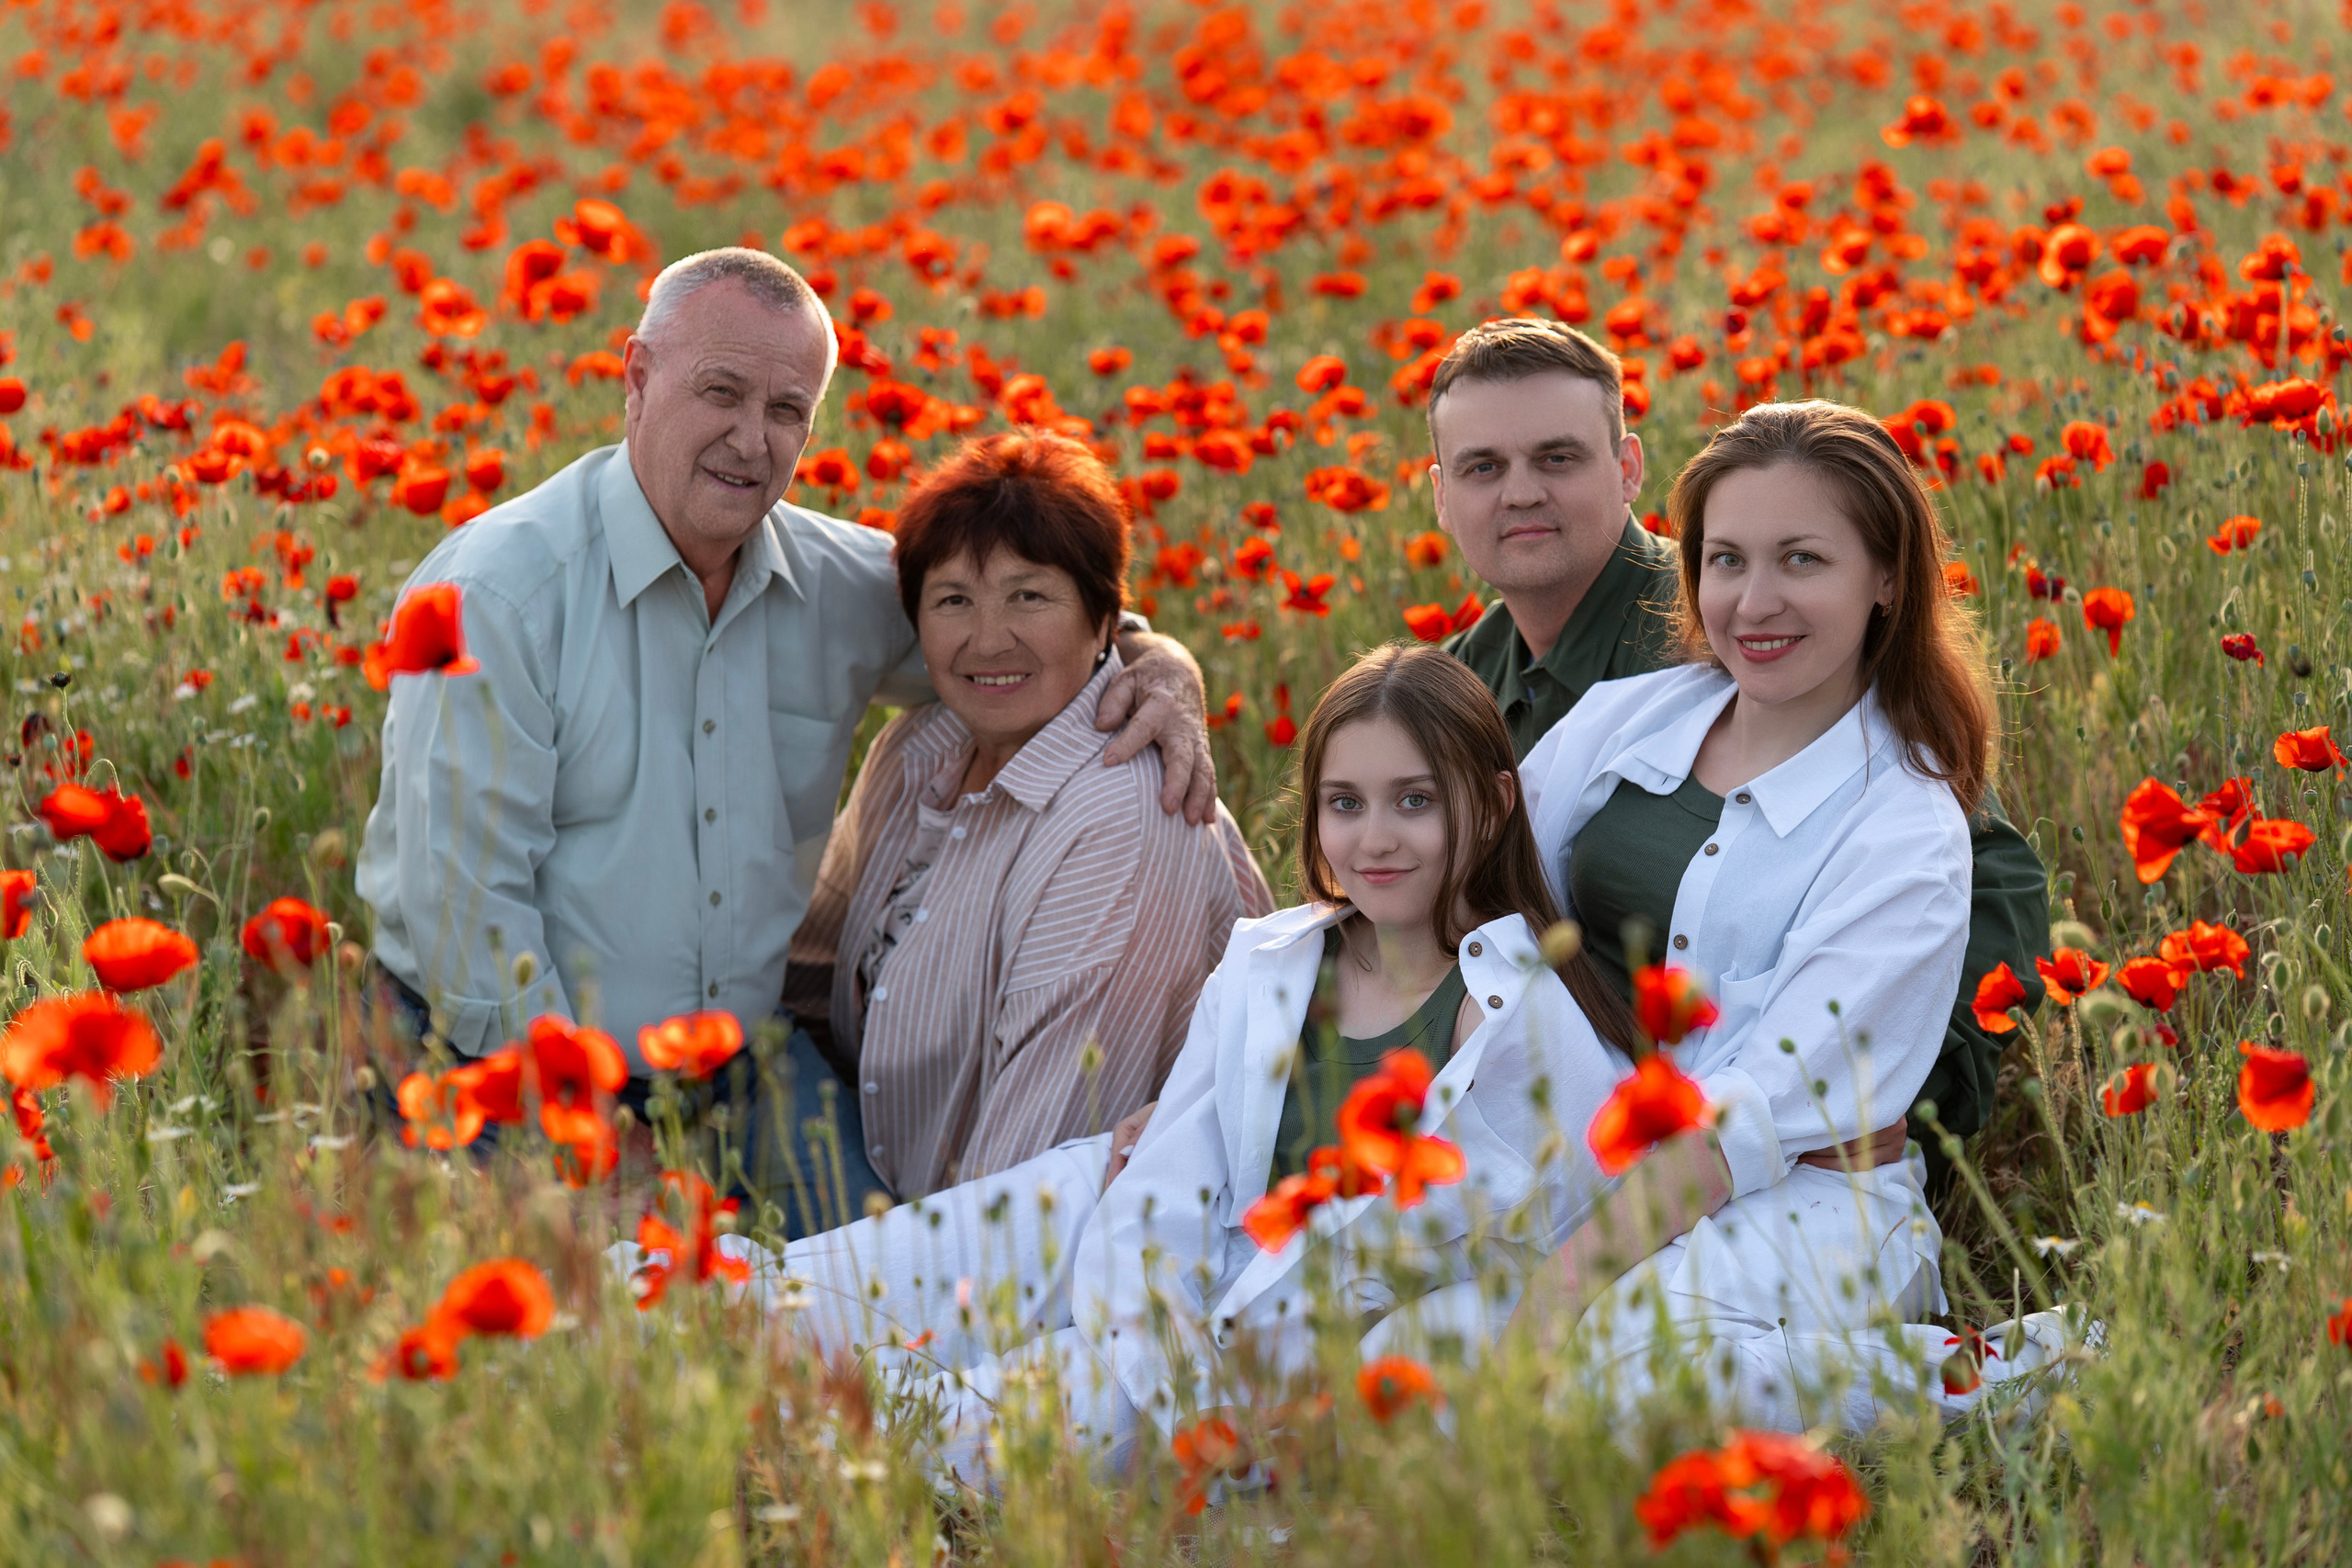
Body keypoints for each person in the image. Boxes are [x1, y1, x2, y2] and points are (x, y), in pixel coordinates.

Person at [694, 645, 1647, 1483]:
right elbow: (1164, 1180)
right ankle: (657, 1317)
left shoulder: (1519, 1019)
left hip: (1253, 1350)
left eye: (1416, 801)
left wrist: (1201, 1384)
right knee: (822, 1289)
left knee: (930, 1427)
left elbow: (1566, 1246)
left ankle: (755, 1416)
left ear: (1494, 802)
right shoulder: (1272, 960)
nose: (1376, 838)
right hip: (1134, 1244)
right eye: (1345, 804)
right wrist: (1145, 1319)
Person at [355, 248, 1216, 1162]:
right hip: (492, 1062)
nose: (751, 441)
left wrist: (1162, 663)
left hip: (739, 1066)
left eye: (786, 411)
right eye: (721, 393)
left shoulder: (841, 586)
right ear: (637, 378)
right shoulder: (496, 598)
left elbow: (1017, 643)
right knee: (586, 1260)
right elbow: (467, 914)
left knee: (871, 1248)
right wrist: (587, 1134)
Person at [1426, 317, 2047, 1194]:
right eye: (1483, 467)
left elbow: (1990, 870)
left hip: (1764, 1156)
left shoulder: (1742, 635)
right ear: (1441, 495)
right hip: (1566, 1120)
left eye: (1558, 458)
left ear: (1628, 468)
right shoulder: (1465, 678)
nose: (1521, 493)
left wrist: (1894, 1100)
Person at [1508, 399, 2009, 1430]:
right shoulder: (1626, 720)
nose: (1753, 601)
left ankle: (2009, 1376)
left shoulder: (1903, 827)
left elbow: (1747, 1120)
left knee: (1618, 1377)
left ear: (1886, 579)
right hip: (1601, 1160)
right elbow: (1479, 895)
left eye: (1801, 560)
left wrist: (1556, 1294)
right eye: (1726, 560)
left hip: (1811, 1200)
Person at [778, 431, 1272, 1217]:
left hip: (1025, 1255)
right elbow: (803, 985)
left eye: (1029, 596)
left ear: (1105, 619)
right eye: (953, 600)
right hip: (879, 1201)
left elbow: (1021, 1205)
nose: (987, 638)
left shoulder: (1124, 816)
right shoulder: (920, 749)